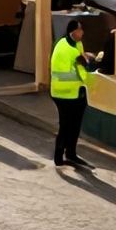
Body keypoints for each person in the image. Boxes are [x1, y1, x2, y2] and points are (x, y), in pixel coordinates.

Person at [49, 19, 98, 168]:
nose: (82, 32)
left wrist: (85, 58)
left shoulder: (73, 43)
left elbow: (79, 62)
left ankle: (70, 153)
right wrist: (89, 64)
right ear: (73, 32)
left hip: (73, 91)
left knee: (73, 124)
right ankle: (61, 156)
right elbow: (80, 70)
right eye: (80, 29)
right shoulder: (67, 49)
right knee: (67, 124)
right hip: (65, 93)